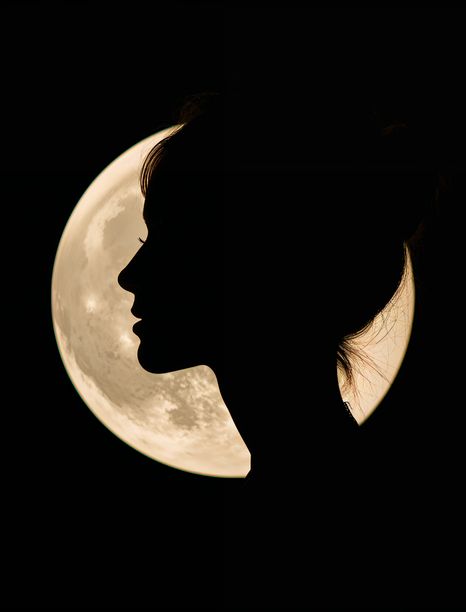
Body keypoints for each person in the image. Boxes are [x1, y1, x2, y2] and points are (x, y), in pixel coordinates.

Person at [117, 91, 439, 607]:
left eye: (170, 241)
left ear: (261, 261)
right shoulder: (340, 498)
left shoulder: (305, 526)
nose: (129, 275)